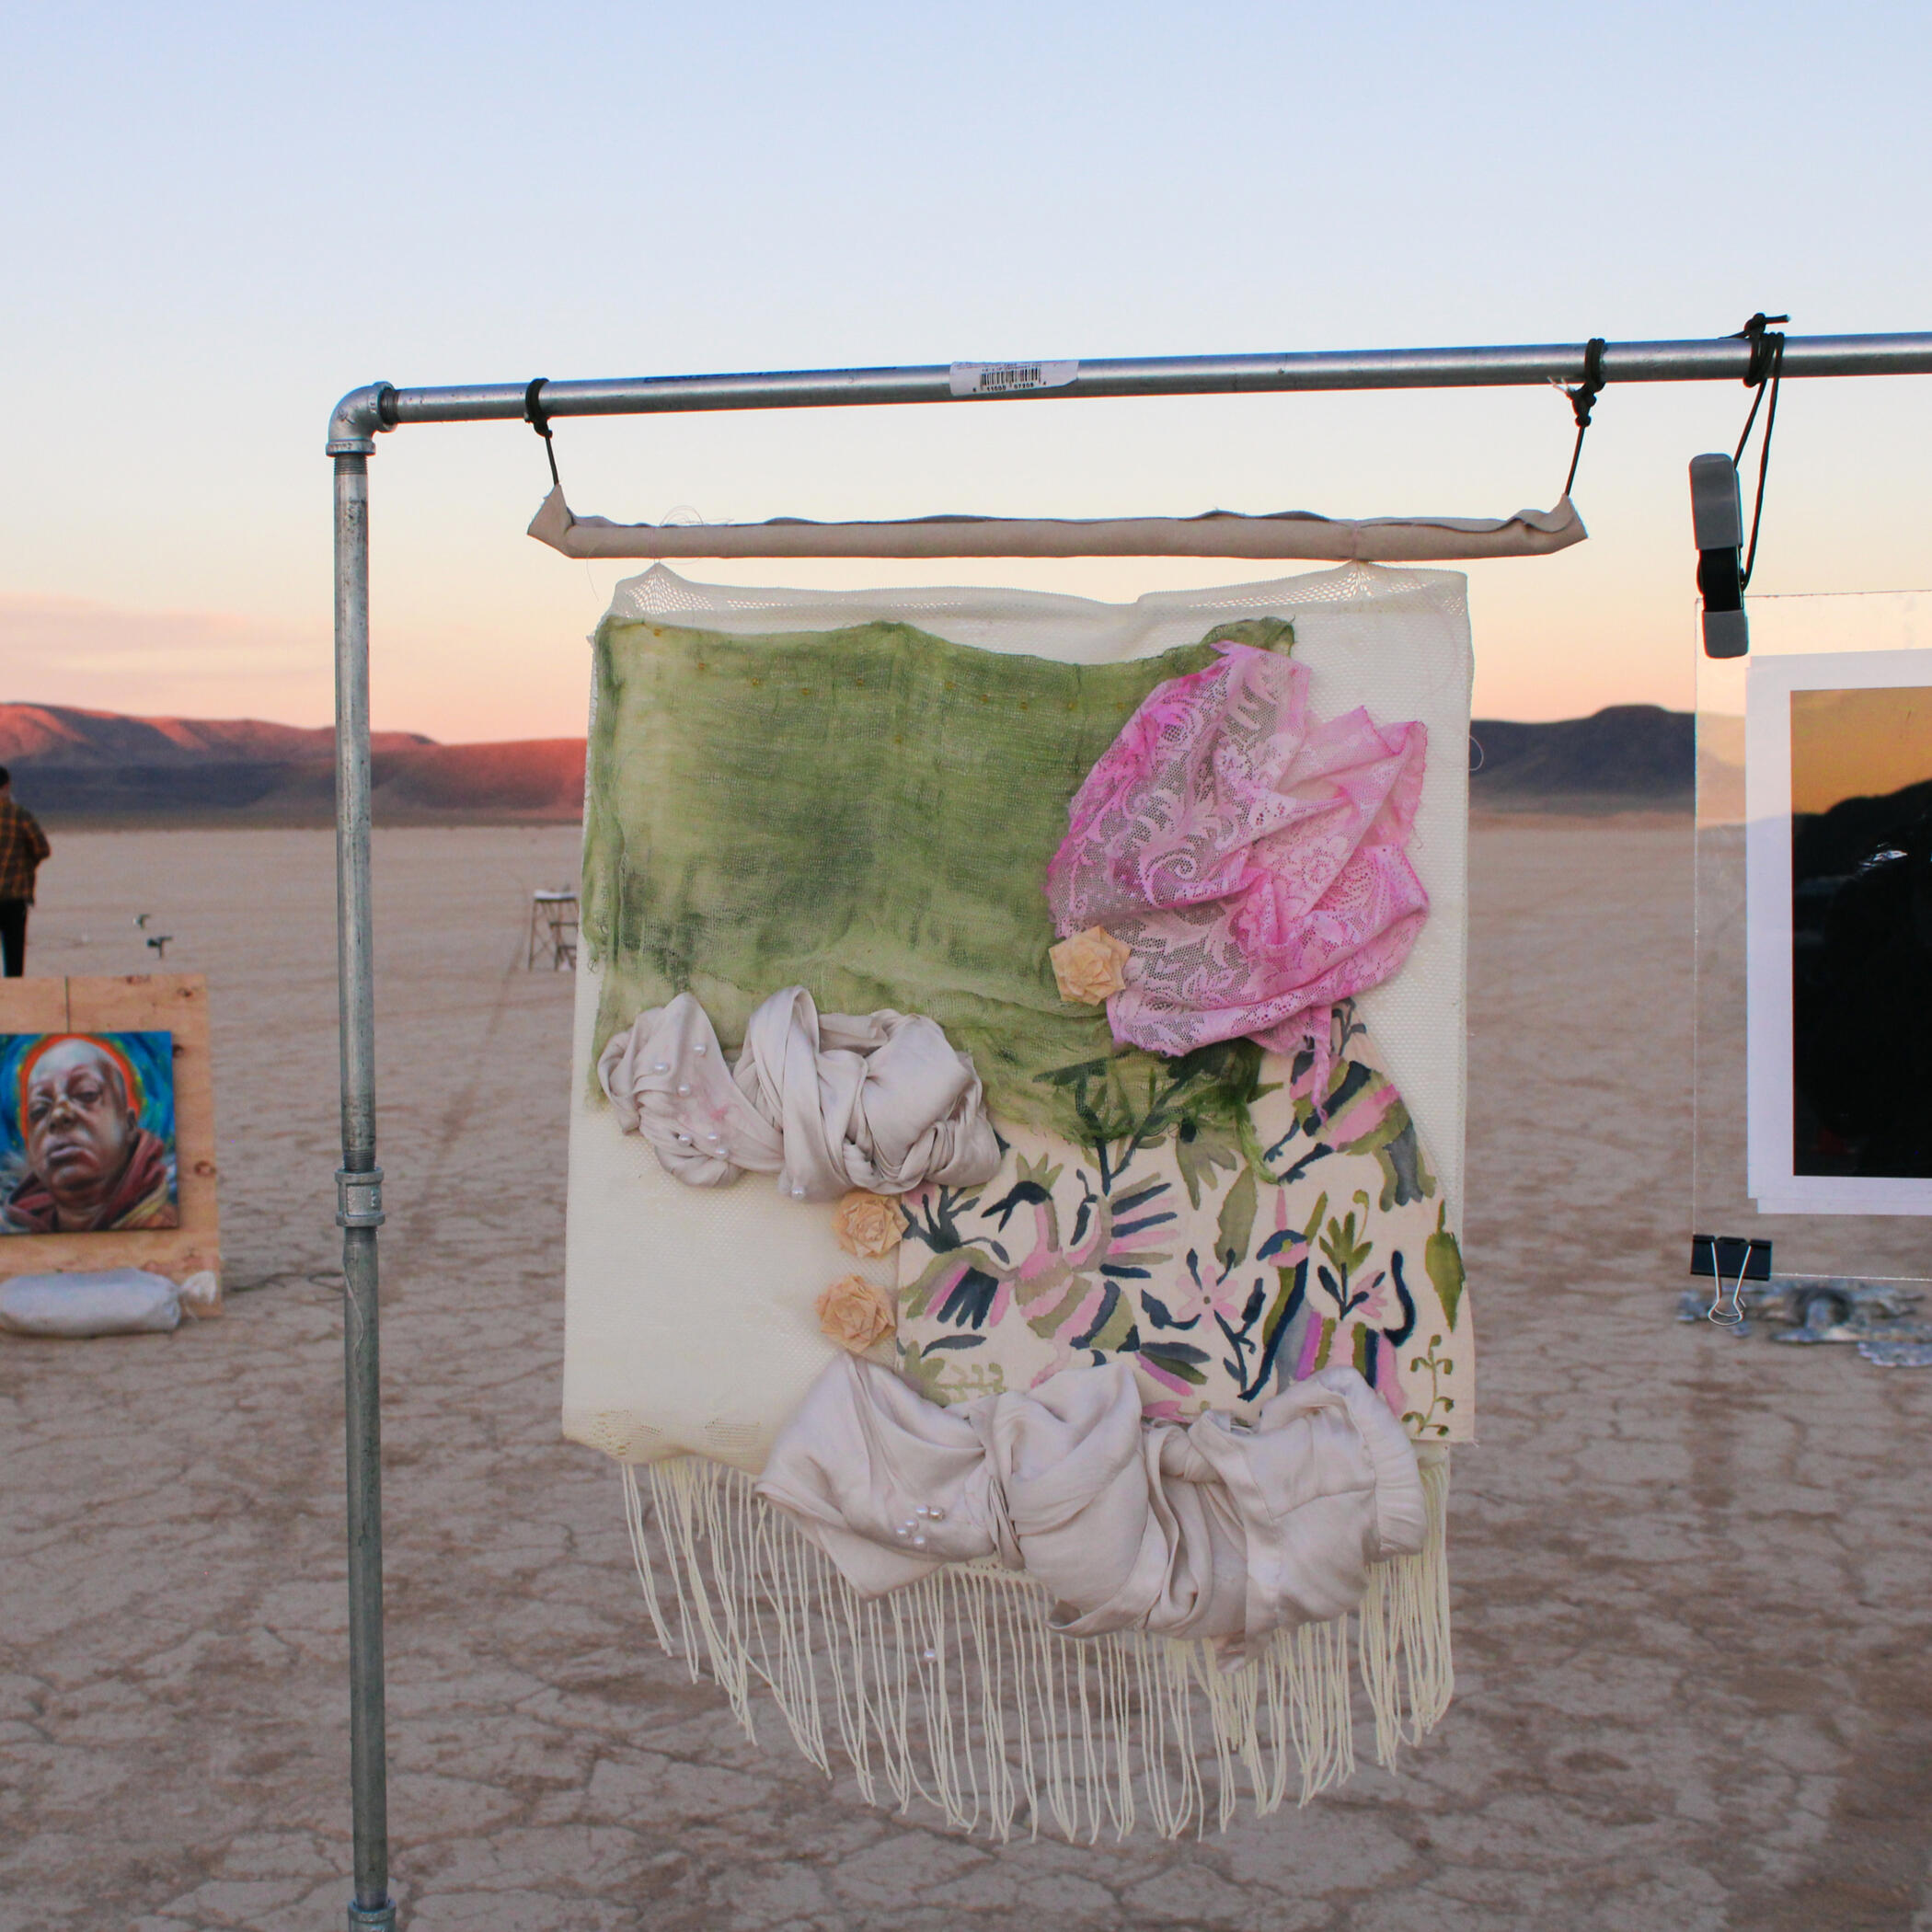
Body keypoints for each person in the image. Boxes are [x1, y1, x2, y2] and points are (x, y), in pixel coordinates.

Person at [5, 1036, 178, 1233]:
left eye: (86, 1094)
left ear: (129, 1125)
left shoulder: (166, 1227)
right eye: (39, 1110)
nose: (58, 1114)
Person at [0, 765, 52, 978]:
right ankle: (13, 1004)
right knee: (14, 959)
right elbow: (42, 849)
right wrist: (27, 863)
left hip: (14, 897)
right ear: (7, 786)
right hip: (14, 897)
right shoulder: (20, 816)